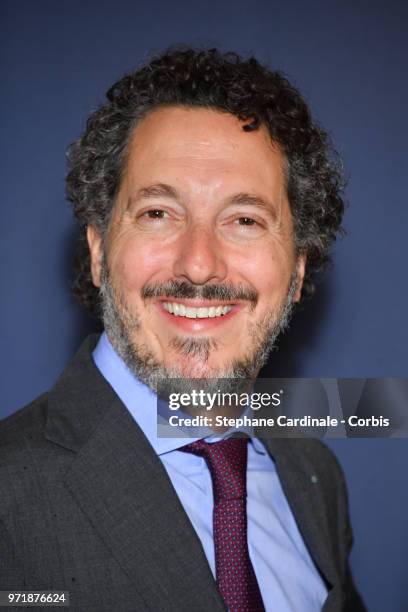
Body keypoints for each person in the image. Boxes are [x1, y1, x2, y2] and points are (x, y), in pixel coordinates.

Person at [0, 47, 365, 611]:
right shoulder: (9, 495)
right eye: (157, 213)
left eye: (244, 220)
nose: (198, 264)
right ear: (99, 252)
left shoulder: (315, 476)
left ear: (295, 272)